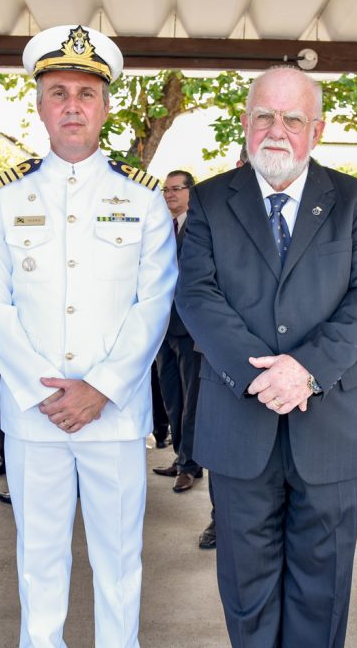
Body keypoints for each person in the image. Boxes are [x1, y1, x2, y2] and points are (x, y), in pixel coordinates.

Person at [0, 25, 176, 646]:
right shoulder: (5, 198)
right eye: (58, 93)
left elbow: (154, 302)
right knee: (38, 557)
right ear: (39, 107)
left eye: (86, 94)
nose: (72, 106)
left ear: (105, 107)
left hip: (113, 414)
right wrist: (46, 392)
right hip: (35, 415)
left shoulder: (142, 199)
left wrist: (102, 387)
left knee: (119, 561)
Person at [176, 66, 357, 647]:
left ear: (316, 130)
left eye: (292, 119)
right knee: (246, 584)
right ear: (245, 124)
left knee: (324, 586)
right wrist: (262, 377)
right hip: (240, 421)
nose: (276, 130)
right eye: (264, 116)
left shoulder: (355, 200)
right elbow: (197, 294)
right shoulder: (211, 199)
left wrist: (306, 370)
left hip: (331, 423)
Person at [152, 169, 205, 492]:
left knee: (191, 400)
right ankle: (180, 456)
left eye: (175, 189)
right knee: (171, 396)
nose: (169, 194)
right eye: (165, 190)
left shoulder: (200, 226)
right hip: (162, 326)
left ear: (190, 192)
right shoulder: (160, 227)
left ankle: (190, 465)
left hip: (189, 328)